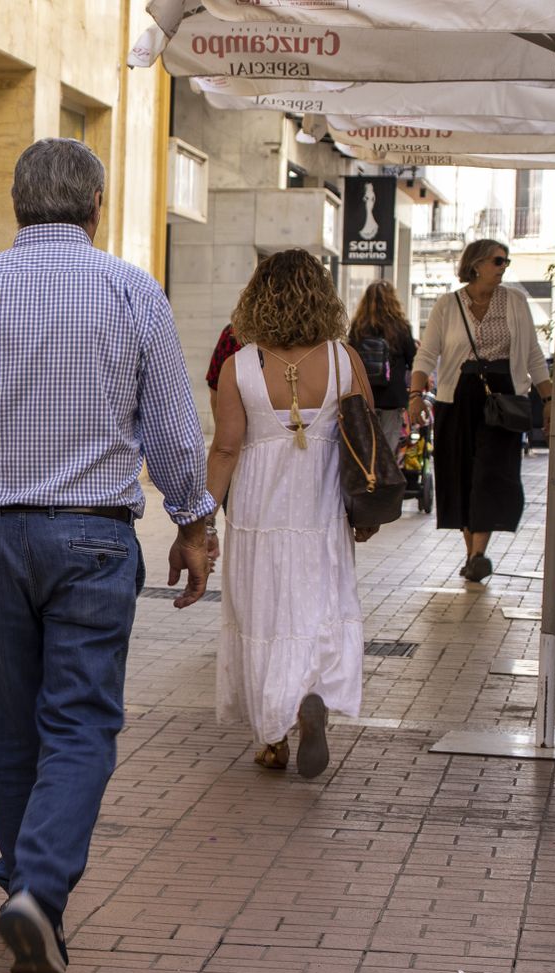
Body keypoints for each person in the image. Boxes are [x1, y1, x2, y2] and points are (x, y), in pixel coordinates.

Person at [0, 139, 213, 973]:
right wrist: (194, 520)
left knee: (9, 719)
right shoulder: (131, 291)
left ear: (17, 205)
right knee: (81, 720)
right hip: (95, 538)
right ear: (95, 205)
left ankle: (30, 889)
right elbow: (175, 427)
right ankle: (38, 889)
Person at [208, 250, 372, 778]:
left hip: (259, 511)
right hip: (321, 507)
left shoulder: (240, 366)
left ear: (258, 297)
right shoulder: (345, 360)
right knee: (318, 606)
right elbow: (365, 434)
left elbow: (227, 450)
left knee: (264, 613)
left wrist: (200, 518)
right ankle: (312, 696)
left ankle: (273, 734)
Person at [409, 239, 553, 583]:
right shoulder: (448, 305)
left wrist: (548, 401)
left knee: (493, 472)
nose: (504, 267)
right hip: (457, 396)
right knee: (459, 471)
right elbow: (427, 355)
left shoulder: (515, 301)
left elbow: (533, 355)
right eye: (498, 261)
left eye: (506, 262)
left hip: (503, 397)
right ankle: (473, 551)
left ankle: (477, 553)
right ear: (476, 264)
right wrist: (415, 395)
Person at [348, 280, 417, 458]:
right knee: (387, 447)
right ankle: (383, 481)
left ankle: (368, 480)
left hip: (364, 396)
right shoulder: (401, 327)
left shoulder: (358, 328)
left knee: (366, 445)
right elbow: (414, 359)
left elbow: (350, 358)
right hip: (392, 398)